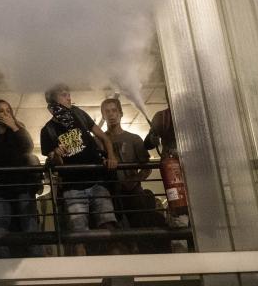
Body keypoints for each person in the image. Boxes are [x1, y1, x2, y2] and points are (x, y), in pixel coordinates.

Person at [40, 84, 119, 256]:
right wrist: (56, 155)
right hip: (72, 187)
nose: (69, 98)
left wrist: (111, 156)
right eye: (64, 95)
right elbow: (57, 164)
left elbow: (104, 138)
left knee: (109, 226)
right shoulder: (47, 130)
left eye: (69, 94)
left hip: (96, 180)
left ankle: (115, 267)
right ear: (54, 100)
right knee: (79, 233)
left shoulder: (79, 114)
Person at [101, 98, 166, 253]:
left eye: (114, 110)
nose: (111, 115)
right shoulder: (99, 140)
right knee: (116, 233)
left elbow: (146, 167)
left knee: (139, 228)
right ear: (103, 116)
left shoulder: (134, 139)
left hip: (133, 193)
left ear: (121, 113)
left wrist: (133, 181)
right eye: (107, 111)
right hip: (111, 193)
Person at [0, 100, 44, 258]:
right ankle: (3, 264)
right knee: (1, 229)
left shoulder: (19, 131)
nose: (4, 114)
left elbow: (28, 147)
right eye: (0, 111)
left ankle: (37, 263)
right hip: (0, 190)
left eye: (7, 111)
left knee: (29, 226)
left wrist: (15, 127)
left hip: (22, 187)